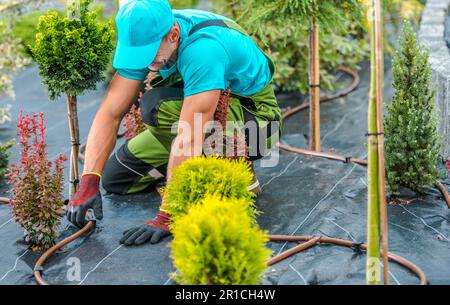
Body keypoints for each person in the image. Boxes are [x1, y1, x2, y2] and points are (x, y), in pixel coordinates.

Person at [66, 0, 282, 246]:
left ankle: (239, 172)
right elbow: (110, 113)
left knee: (155, 106)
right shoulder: (146, 33)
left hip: (255, 126)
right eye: (139, 54)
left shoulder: (204, 49)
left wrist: (170, 212)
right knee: (117, 179)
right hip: (199, 119)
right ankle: (186, 169)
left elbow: (191, 133)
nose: (147, 63)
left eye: (150, 53)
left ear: (174, 35)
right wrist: (89, 181)